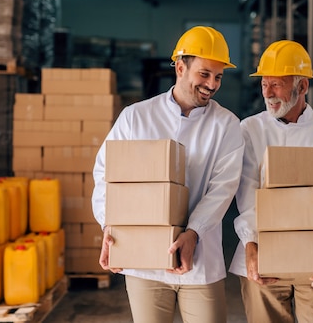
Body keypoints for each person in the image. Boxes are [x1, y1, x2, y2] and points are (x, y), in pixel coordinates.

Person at [92, 25, 245, 323]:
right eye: (204, 74)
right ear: (180, 67)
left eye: (218, 77)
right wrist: (108, 224)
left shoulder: (226, 125)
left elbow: (222, 189)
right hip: (143, 257)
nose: (212, 84)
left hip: (200, 260)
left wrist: (194, 232)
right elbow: (106, 174)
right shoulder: (136, 117)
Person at [229, 39, 313, 323]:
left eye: (277, 84)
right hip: (263, 257)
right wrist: (251, 246)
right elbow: (247, 193)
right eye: (264, 83)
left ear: (302, 87)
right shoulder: (250, 129)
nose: (268, 92)